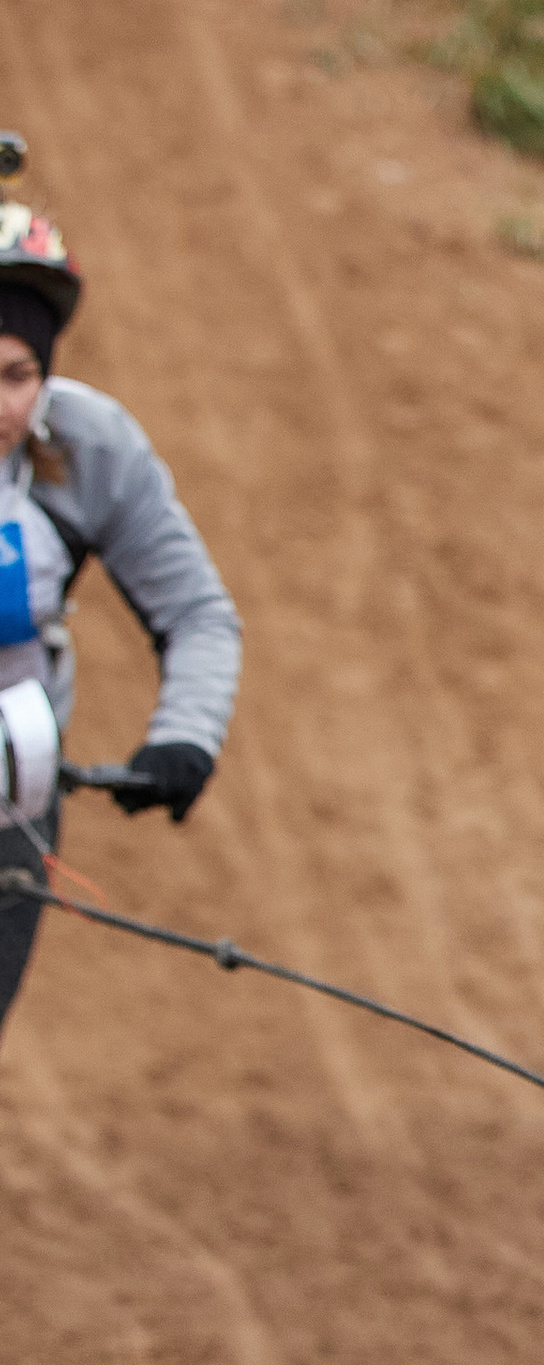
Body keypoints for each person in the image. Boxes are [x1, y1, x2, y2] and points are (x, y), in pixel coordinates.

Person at [0, 187, 240, 1044]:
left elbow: (198, 613)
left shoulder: (91, 447)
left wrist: (185, 736)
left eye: (17, 376)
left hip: (10, 812)